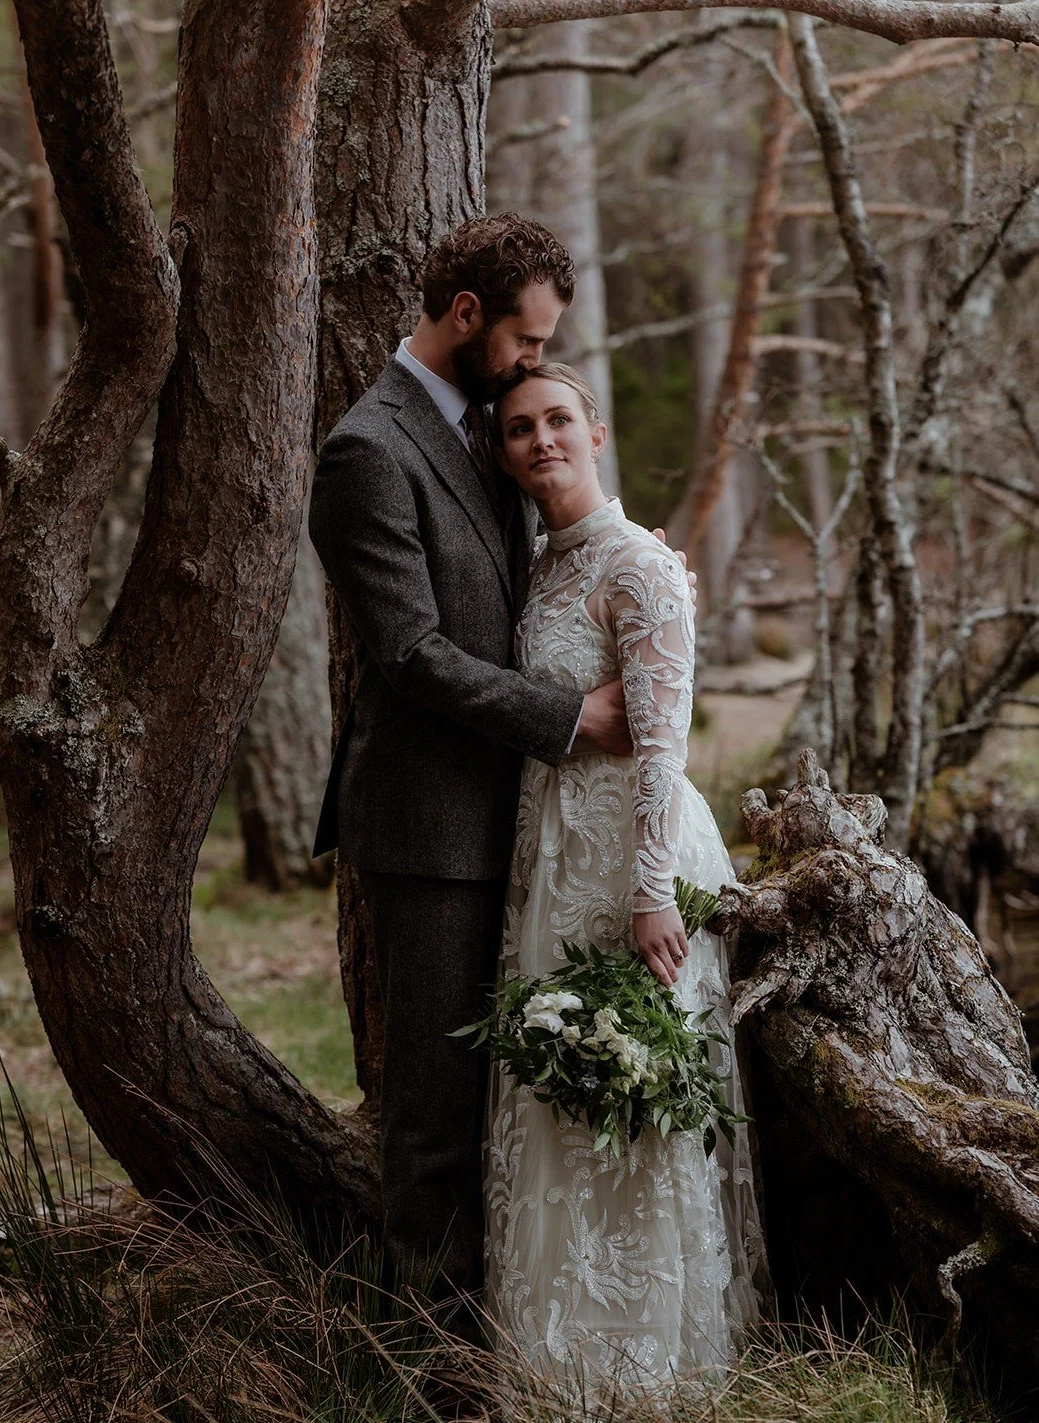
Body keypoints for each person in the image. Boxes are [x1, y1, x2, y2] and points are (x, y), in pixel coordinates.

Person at [308, 216, 684, 1334]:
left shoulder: (483, 428)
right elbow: (412, 653)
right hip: (429, 829)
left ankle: (507, 1331)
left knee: (510, 1099)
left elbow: (559, 556)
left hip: (528, 825)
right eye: (524, 340)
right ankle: (423, 1364)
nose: (533, 363)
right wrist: (570, 714)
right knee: (428, 1116)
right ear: (465, 317)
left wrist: (643, 572)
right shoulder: (367, 450)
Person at [484, 363, 766, 1397]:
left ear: (594, 433)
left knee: (634, 1091)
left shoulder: (640, 566)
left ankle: (648, 1365)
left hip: (630, 856)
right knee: (554, 1087)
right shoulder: (545, 566)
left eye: (558, 419)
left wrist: (651, 890)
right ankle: (556, 1357)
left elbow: (661, 749)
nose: (540, 440)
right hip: (552, 853)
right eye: (519, 428)